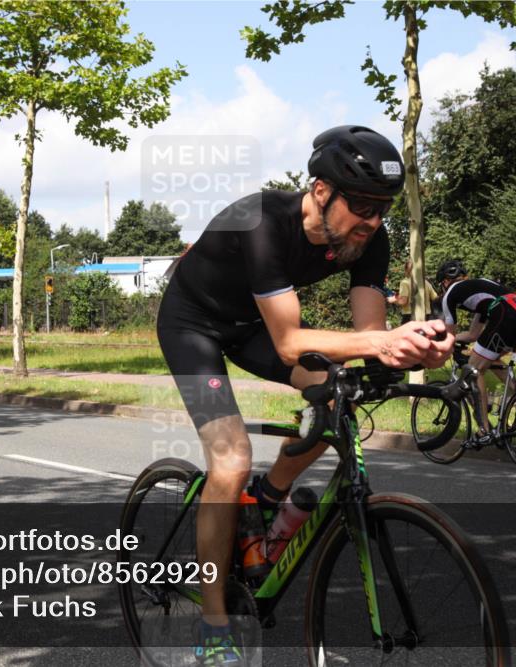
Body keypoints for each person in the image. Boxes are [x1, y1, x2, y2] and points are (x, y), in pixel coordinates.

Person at [157, 125, 453, 665]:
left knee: (337, 401)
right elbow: (291, 342)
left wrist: (410, 351)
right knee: (230, 459)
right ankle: (214, 624)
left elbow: (368, 338)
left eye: (382, 208)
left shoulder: (369, 239)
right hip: (191, 324)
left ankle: (266, 500)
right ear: (320, 192)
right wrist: (381, 341)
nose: (372, 221)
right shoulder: (263, 223)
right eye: (361, 205)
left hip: (249, 326)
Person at [436, 259, 516, 442]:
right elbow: (472, 335)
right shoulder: (480, 286)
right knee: (489, 358)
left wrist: (437, 344)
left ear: (445, 282)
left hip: (505, 315)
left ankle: (484, 430)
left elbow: (449, 335)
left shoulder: (449, 294)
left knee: (473, 371)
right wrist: (457, 341)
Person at [388, 258, 438, 324]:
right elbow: (435, 298)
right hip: (426, 316)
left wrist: (394, 300)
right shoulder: (426, 282)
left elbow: (403, 301)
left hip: (410, 316)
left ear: (406, 270)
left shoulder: (405, 282)